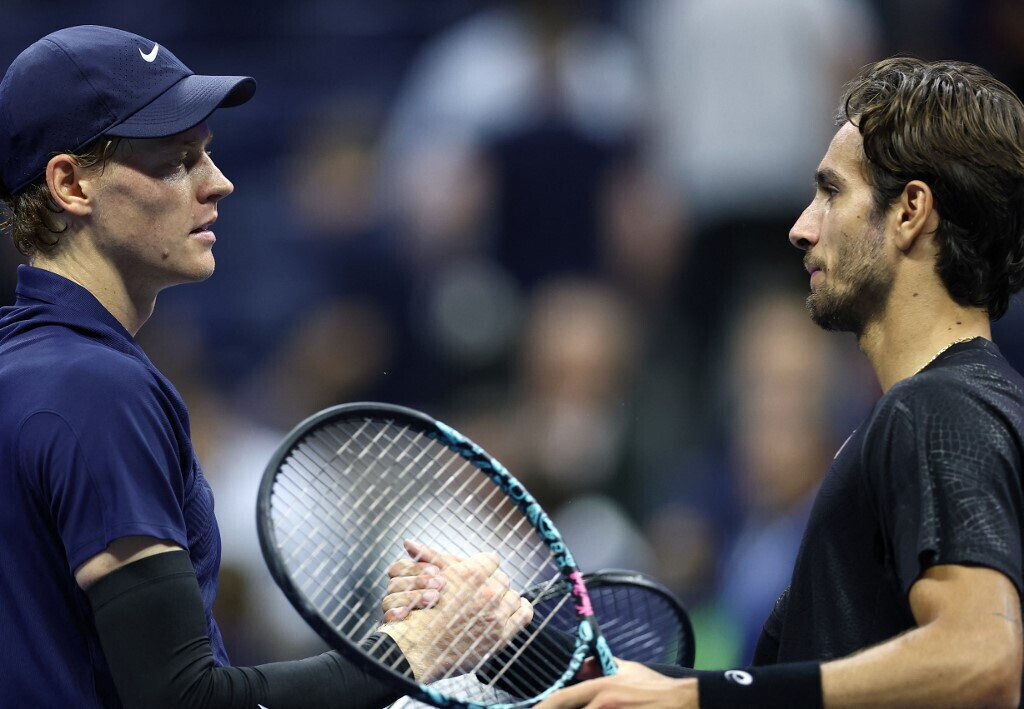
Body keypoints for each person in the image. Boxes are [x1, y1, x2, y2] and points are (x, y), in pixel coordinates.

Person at [0, 25, 529, 708]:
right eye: (177, 160)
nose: (218, 183)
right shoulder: (99, 389)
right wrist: (416, 651)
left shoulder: (26, 366)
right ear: (71, 184)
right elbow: (184, 699)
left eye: (207, 153)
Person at [535, 57, 1024, 708]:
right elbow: (769, 688)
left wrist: (701, 699)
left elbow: (983, 658)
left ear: (910, 211)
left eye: (831, 193)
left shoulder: (938, 407)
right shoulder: (973, 405)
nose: (802, 228)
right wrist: (511, 633)